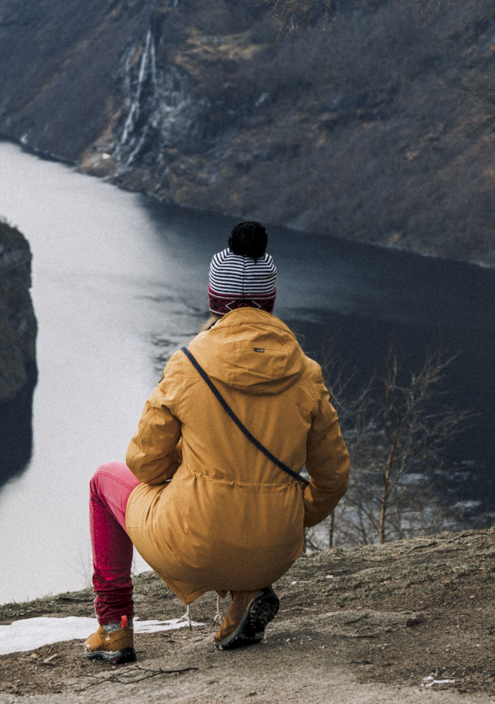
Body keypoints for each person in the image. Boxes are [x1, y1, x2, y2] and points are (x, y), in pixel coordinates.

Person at [83, 221, 351, 664]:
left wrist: (183, 472)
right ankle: (245, 599)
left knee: (102, 482)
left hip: (195, 542)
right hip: (274, 548)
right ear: (270, 300)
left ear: (213, 299)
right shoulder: (306, 374)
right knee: (246, 516)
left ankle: (114, 627)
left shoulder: (187, 366)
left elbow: (145, 465)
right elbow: (334, 478)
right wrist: (292, 514)